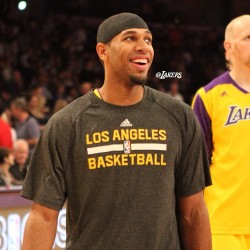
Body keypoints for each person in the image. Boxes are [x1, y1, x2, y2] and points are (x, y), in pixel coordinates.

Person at [21, 12, 212, 249]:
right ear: (102, 51)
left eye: (148, 40)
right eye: (130, 38)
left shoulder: (180, 117)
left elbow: (193, 211)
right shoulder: (67, 123)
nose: (143, 47)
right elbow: (43, 216)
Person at [192, 14, 250, 250]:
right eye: (248, 37)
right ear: (229, 47)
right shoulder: (209, 97)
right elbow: (194, 170)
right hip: (223, 225)